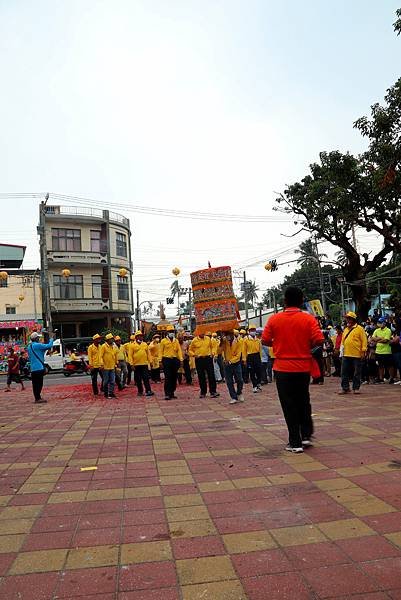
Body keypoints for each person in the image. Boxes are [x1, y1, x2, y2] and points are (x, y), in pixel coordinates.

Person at [262, 286, 324, 453]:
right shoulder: (309, 319)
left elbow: (265, 340)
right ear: (301, 300)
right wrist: (304, 345)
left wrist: (280, 343)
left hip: (282, 368)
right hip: (303, 367)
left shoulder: (274, 319)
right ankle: (306, 435)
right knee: (303, 400)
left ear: (285, 301)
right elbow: (319, 340)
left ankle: (295, 442)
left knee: (288, 404)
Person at [338, 311, 368, 395]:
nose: (347, 320)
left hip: (357, 354)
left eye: (349, 318)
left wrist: (363, 351)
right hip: (346, 354)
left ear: (353, 319)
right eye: (346, 318)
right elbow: (343, 341)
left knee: (357, 372)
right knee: (344, 372)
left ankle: (356, 388)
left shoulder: (360, 329)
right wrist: (341, 351)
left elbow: (364, 341)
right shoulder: (345, 329)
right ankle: (345, 388)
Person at [189, 332, 220, 398]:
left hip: (208, 358)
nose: (203, 333)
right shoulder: (194, 340)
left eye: (203, 332)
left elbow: (213, 347)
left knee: (211, 375)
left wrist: (213, 353)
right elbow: (190, 350)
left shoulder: (208, 339)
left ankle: (213, 391)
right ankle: (203, 392)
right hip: (199, 359)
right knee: (201, 376)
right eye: (201, 332)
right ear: (198, 332)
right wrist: (194, 355)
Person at [27, 331, 55, 403]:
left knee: (35, 384)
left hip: (33, 368)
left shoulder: (29, 347)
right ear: (36, 338)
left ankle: (37, 397)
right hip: (39, 367)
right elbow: (49, 346)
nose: (39, 339)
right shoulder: (37, 345)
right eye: (38, 338)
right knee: (39, 383)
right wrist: (51, 338)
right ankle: (38, 398)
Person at [220, 331, 244, 404]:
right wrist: (220, 343)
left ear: (232, 334)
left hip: (236, 364)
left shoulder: (238, 342)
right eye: (226, 335)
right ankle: (233, 397)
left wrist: (230, 361)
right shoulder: (224, 342)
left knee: (240, 380)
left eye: (229, 335)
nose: (227, 336)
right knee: (229, 382)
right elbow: (219, 351)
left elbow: (238, 355)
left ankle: (239, 392)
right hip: (227, 365)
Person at [159, 326, 183, 400]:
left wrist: (181, 360)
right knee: (168, 377)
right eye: (170, 331)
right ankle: (167, 393)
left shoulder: (176, 341)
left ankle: (172, 392)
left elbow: (179, 350)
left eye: (172, 331)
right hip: (166, 360)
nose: (171, 333)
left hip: (175, 360)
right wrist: (160, 361)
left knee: (174, 377)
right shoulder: (163, 341)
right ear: (167, 332)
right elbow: (160, 351)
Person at [128, 331, 154, 397]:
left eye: (141, 336)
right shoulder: (132, 345)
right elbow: (130, 355)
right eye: (139, 336)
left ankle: (148, 390)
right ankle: (140, 391)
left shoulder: (145, 344)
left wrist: (150, 362)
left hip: (144, 364)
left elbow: (148, 354)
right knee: (138, 379)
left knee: (146, 378)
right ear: (136, 337)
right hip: (136, 365)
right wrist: (131, 364)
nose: (140, 337)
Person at [372, 317, 395, 384]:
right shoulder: (376, 330)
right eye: (378, 322)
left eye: (380, 322)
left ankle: (391, 378)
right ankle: (381, 378)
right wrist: (380, 338)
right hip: (378, 351)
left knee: (389, 365)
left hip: (386, 351)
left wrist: (377, 340)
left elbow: (386, 340)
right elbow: (372, 338)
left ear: (384, 323)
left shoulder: (388, 330)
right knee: (380, 365)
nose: (379, 324)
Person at [243, 325, 262, 392]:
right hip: (250, 357)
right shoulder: (246, 339)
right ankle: (254, 386)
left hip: (257, 356)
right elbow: (244, 350)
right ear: (249, 331)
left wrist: (261, 358)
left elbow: (260, 349)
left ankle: (258, 383)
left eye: (254, 330)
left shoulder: (257, 339)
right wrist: (244, 359)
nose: (253, 331)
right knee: (252, 372)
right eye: (251, 330)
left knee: (259, 371)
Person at [100, 333, 118, 399]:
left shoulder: (113, 346)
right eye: (111, 339)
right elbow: (100, 356)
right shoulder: (103, 346)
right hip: (105, 367)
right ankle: (106, 393)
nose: (113, 340)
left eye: (112, 339)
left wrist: (116, 363)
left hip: (112, 366)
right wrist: (101, 364)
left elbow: (114, 355)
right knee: (106, 381)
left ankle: (111, 393)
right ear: (108, 340)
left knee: (112, 381)